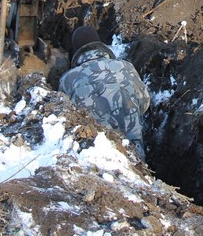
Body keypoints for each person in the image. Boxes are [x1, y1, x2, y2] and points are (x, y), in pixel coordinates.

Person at [59, 27, 151, 158]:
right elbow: (144, 102)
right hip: (134, 152)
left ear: (76, 51)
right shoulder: (126, 67)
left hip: (95, 155)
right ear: (99, 44)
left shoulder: (68, 79)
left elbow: (66, 118)